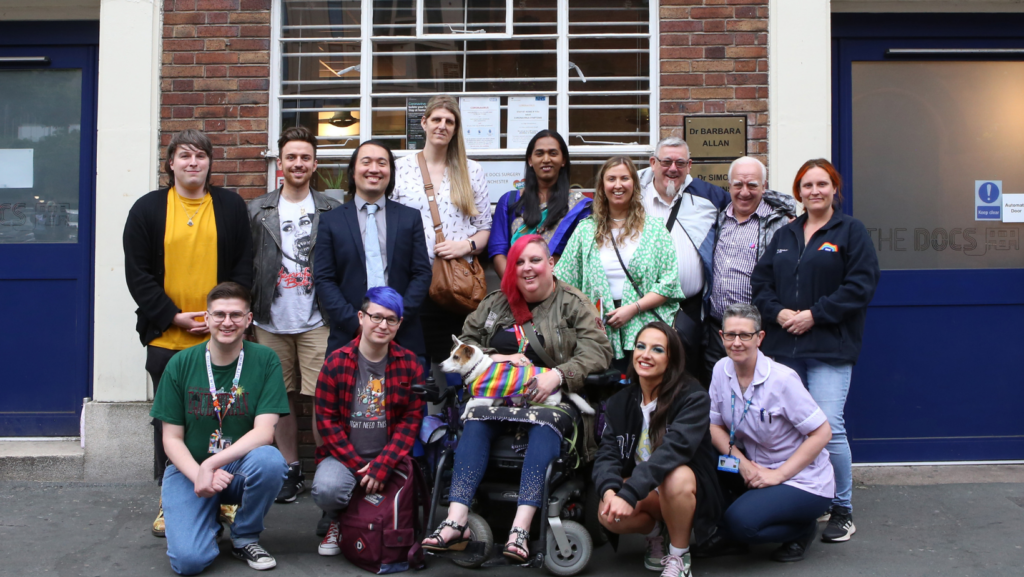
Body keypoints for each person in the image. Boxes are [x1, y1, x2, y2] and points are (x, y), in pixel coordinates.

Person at [422, 235, 612, 562]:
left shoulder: (573, 303)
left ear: (550, 264)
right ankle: (456, 520)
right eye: (519, 262)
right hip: (498, 395)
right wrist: (495, 358)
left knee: (543, 422)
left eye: (534, 260)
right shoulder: (496, 303)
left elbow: (599, 351)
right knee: (476, 420)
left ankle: (520, 530)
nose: (527, 268)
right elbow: (466, 342)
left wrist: (558, 373)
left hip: (553, 398)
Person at [124, 129, 253, 537]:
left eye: (200, 155)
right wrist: (172, 316)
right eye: (184, 155)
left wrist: (225, 319)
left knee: (230, 420)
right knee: (172, 426)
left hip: (224, 339)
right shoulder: (147, 209)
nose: (193, 162)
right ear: (171, 163)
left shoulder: (230, 207)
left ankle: (227, 503)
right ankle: (170, 501)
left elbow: (243, 268)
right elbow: (138, 273)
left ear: (210, 163)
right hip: (168, 339)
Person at [751, 158, 880, 544]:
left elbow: (861, 285)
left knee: (827, 426)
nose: (815, 191)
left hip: (829, 346)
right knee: (791, 428)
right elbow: (761, 282)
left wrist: (814, 315)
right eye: (807, 186)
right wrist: (779, 313)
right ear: (798, 192)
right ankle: (811, 495)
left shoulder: (851, 231)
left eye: (822, 184)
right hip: (784, 346)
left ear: (834, 189)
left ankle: (842, 508)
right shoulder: (787, 233)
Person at [150, 282, 290, 574]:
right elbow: (171, 438)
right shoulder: (180, 363)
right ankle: (209, 520)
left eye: (236, 315)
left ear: (248, 319)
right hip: (190, 469)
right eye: (220, 314)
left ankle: (245, 536)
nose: (228, 322)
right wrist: (199, 473)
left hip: (239, 467)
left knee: (271, 461)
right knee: (188, 562)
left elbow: (265, 432)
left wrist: (212, 464)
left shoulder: (265, 360)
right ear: (207, 318)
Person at [247, 126, 341, 504]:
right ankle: (290, 469)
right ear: (280, 163)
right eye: (291, 157)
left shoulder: (331, 209)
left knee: (322, 397)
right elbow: (248, 262)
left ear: (314, 164)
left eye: (305, 157)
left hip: (317, 317)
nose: (298, 163)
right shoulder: (257, 210)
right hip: (270, 317)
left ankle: (325, 469)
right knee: (279, 398)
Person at [592, 322, 724, 577]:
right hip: (645, 487)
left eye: (657, 349)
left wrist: (629, 493)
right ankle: (656, 534)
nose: (645, 355)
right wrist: (609, 491)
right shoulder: (619, 402)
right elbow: (607, 453)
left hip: (686, 487)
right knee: (608, 516)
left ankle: (679, 555)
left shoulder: (692, 397)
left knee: (675, 476)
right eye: (640, 346)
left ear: (671, 359)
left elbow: (673, 453)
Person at [706, 303, 834, 563]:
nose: (737, 342)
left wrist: (778, 475)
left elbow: (822, 433)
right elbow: (715, 426)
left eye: (745, 335)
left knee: (742, 522)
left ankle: (802, 529)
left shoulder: (782, 380)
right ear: (722, 337)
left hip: (800, 479)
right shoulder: (721, 370)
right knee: (701, 459)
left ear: (760, 338)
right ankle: (729, 534)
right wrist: (742, 465)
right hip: (755, 468)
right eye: (730, 335)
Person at [313, 286, 426, 556]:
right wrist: (361, 466)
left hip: (391, 457)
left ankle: (367, 523)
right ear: (361, 317)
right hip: (344, 458)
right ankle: (337, 520)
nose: (382, 325)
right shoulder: (336, 362)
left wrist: (383, 464)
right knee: (328, 489)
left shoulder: (410, 365)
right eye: (376, 317)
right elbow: (326, 422)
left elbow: (411, 422)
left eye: (391, 319)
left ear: (399, 324)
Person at [555, 156, 683, 367]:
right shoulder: (585, 230)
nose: (618, 185)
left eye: (624, 178)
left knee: (644, 389)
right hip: (597, 330)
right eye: (611, 179)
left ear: (634, 183)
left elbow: (669, 283)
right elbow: (563, 281)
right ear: (602, 186)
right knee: (605, 393)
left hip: (646, 328)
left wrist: (632, 309)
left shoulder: (655, 229)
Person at [391, 95, 491, 365]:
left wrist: (465, 246)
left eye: (449, 121)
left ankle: (456, 409)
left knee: (459, 364)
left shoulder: (472, 171)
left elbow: (484, 229)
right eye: (436, 119)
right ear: (424, 122)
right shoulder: (399, 169)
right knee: (413, 362)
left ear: (456, 128)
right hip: (412, 280)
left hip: (455, 284)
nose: (442, 126)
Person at [313, 140, 432, 357]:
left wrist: (394, 319)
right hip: (348, 336)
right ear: (353, 171)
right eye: (366, 162)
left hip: (403, 336)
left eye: (382, 163)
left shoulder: (409, 218)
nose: (374, 169)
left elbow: (421, 273)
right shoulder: (331, 221)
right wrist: (356, 323)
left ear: (390, 172)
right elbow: (324, 278)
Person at [638, 137, 730, 382]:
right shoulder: (633, 193)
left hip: (687, 309)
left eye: (680, 163)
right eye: (666, 161)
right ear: (653, 163)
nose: (672, 169)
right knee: (646, 376)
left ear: (690, 165)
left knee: (687, 378)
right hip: (642, 306)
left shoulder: (710, 197)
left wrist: (785, 213)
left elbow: (747, 204)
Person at [704, 157, 796, 376]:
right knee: (719, 395)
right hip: (718, 331)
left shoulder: (781, 223)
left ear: (764, 187)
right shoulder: (717, 219)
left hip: (758, 332)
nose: (744, 192)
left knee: (758, 395)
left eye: (752, 185)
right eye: (738, 184)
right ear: (729, 186)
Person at [489, 130, 591, 277]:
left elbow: (584, 257)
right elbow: (498, 251)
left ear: (563, 160)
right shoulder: (509, 201)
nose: (546, 159)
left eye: (553, 153)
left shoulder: (581, 207)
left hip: (563, 292)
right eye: (539, 153)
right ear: (530, 160)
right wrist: (518, 286)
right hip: (516, 290)